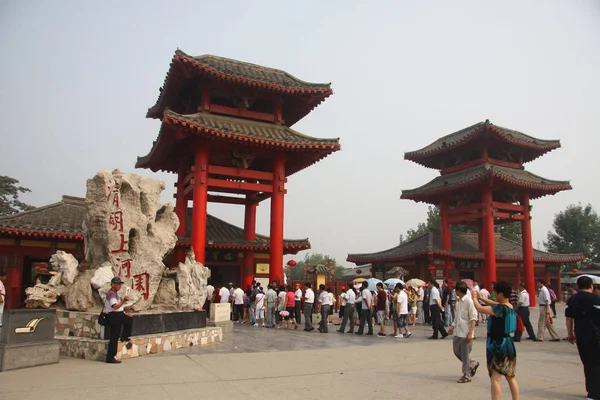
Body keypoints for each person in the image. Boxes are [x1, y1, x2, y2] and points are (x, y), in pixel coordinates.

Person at [473, 281, 519, 400]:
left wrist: (474, 299)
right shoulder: (509, 306)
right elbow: (494, 304)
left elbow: (480, 309)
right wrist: (481, 297)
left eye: (495, 292)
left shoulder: (499, 308)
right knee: (510, 375)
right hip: (509, 342)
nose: (494, 295)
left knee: (496, 378)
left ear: (501, 294)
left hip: (498, 344)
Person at [565, 275, 600, 400]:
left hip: (581, 336)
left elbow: (569, 318)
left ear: (578, 287)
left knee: (587, 363)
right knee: (596, 363)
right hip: (596, 336)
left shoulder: (572, 300)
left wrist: (570, 334)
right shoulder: (597, 299)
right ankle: (594, 393)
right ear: (591, 286)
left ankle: (590, 390)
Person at [448, 281, 479, 383]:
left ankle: (466, 375)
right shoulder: (459, 301)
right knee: (456, 351)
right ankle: (472, 363)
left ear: (459, 290)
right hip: (458, 331)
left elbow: (473, 318)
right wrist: (452, 326)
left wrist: (471, 332)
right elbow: (457, 316)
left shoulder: (469, 301)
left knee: (465, 355)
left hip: (466, 332)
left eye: (456, 290)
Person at [104, 277, 133, 364]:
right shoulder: (111, 294)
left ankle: (125, 336)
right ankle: (110, 357)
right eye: (118, 284)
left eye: (120, 284)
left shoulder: (115, 293)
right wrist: (124, 300)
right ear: (113, 285)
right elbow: (115, 306)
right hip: (114, 316)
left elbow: (119, 308)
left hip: (118, 314)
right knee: (114, 336)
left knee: (129, 319)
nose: (119, 286)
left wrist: (124, 313)